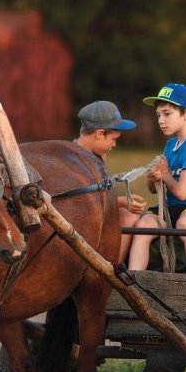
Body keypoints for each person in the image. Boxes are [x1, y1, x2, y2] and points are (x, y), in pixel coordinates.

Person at [127, 83, 186, 274]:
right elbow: (154, 189)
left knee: (185, 224)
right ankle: (133, 280)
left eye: (167, 114)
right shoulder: (171, 144)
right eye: (158, 115)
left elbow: (183, 193)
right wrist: (154, 177)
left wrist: (165, 174)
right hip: (171, 209)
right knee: (143, 224)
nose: (161, 120)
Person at [74, 100, 147, 262]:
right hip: (80, 223)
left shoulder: (97, 156)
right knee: (128, 215)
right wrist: (122, 201)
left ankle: (113, 268)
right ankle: (108, 271)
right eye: (113, 139)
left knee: (129, 217)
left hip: (96, 217)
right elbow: (83, 203)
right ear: (100, 134)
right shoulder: (74, 162)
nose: (114, 145)